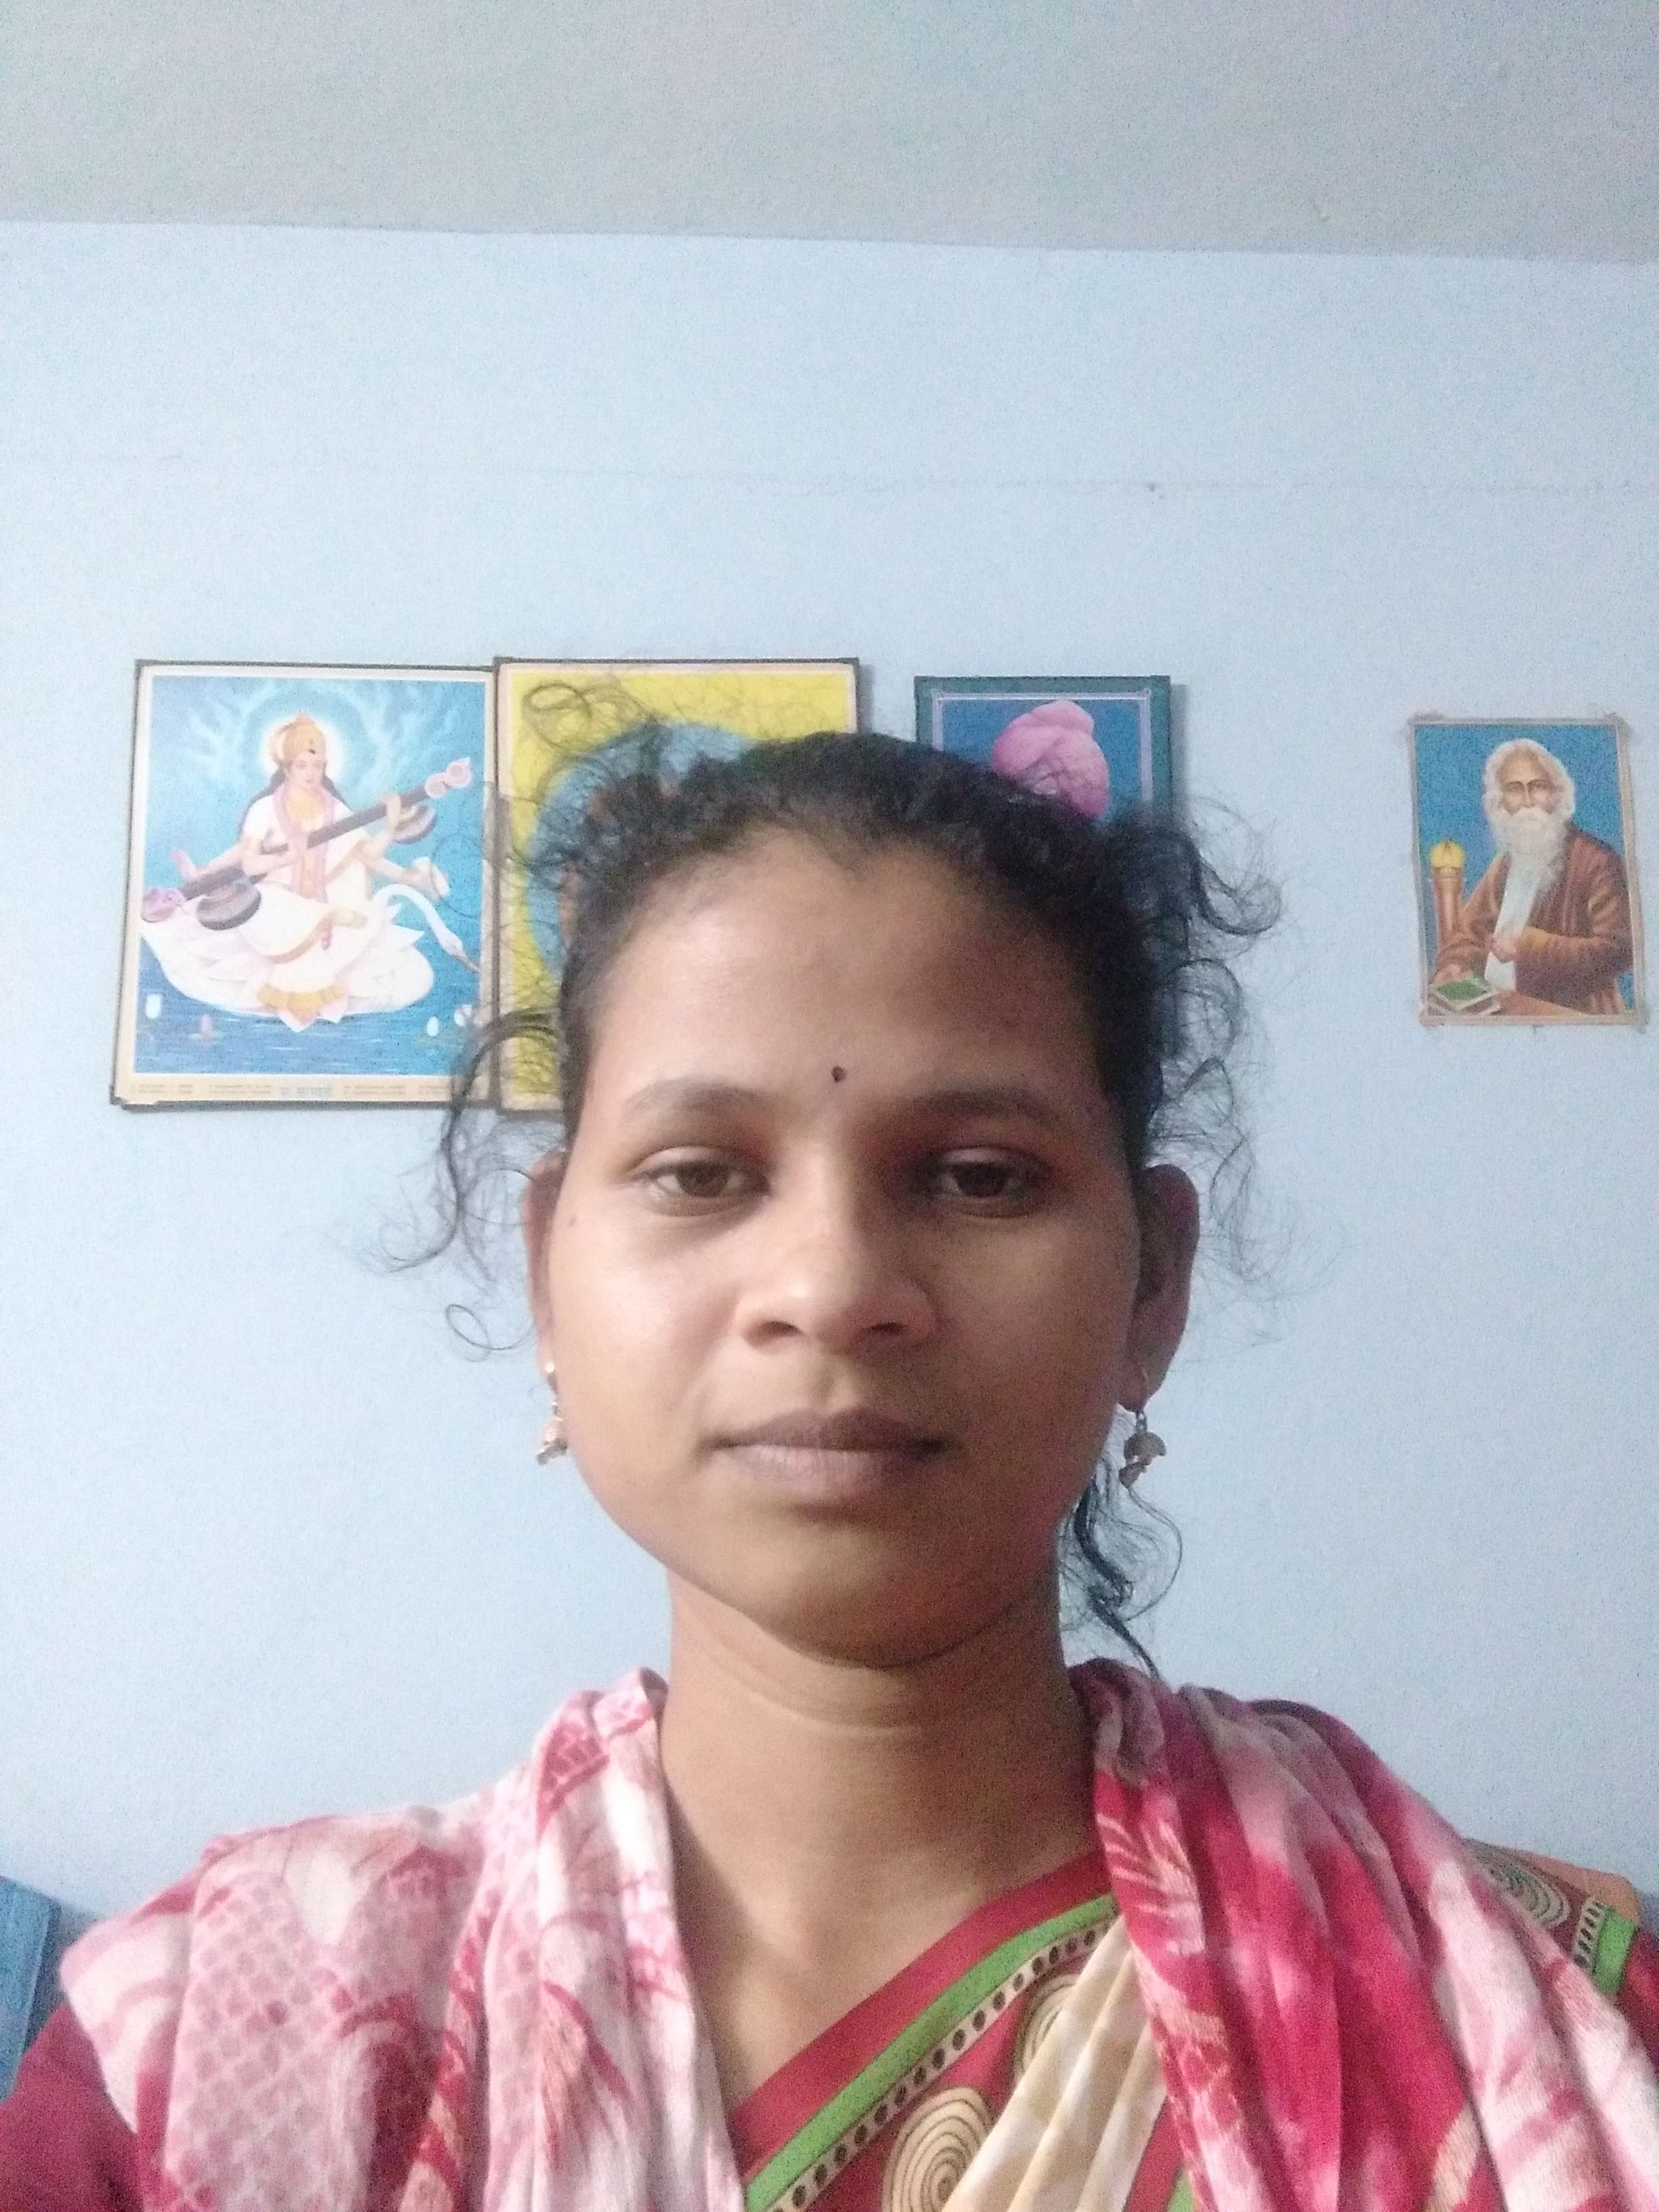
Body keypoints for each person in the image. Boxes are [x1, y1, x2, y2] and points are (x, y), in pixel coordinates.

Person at [6, 731, 1657, 2211]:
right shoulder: (210, 2049)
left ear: (1151, 1285)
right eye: (699, 1173)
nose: (830, 1284)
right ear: (547, 1277)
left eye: (979, 1176)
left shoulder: (1560, 2013)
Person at [142, 710, 463, 1031]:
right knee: (266, 906)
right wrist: (284, 859)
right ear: (286, 768)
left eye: (318, 765)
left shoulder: (334, 808)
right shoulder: (265, 808)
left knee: (359, 923)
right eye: (302, 765)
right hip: (279, 897)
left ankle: (320, 946)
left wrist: (391, 828)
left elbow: (368, 855)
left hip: (327, 895)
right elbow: (250, 863)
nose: (311, 773)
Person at [1431, 737, 1635, 1015]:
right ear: (1500, 802)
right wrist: (1455, 964)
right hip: (1500, 1008)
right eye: (1515, 789)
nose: (1528, 801)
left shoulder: (1596, 861)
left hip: (1572, 1015)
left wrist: (1527, 946)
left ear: (1557, 794)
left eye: (1537, 787)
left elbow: (1618, 950)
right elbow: (1469, 932)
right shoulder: (1506, 862)